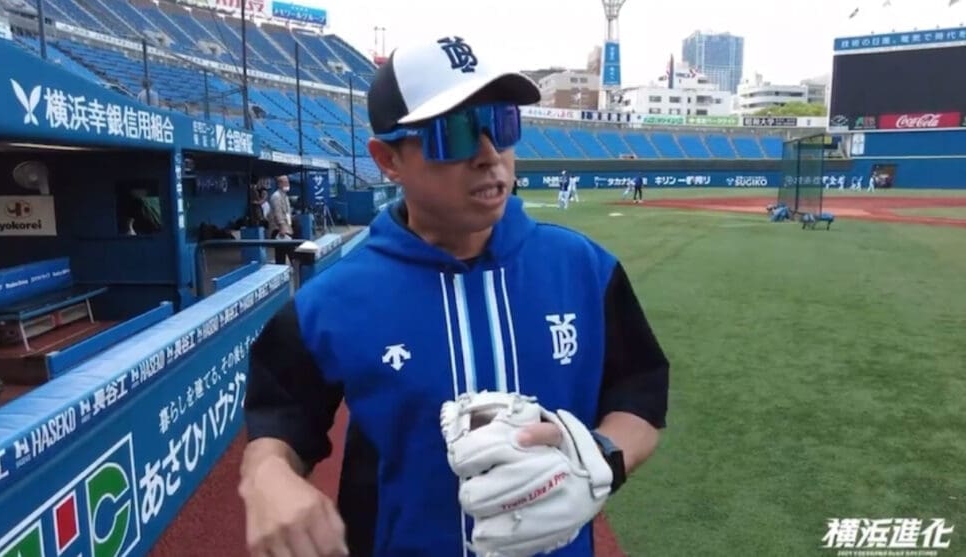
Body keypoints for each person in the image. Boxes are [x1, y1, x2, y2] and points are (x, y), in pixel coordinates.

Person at [239, 34, 670, 557]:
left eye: (502, 123)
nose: (490, 155)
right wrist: (265, 476)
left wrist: (600, 456)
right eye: (456, 133)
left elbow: (639, 395)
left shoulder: (585, 269)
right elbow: (281, 425)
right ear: (388, 160)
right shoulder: (331, 302)